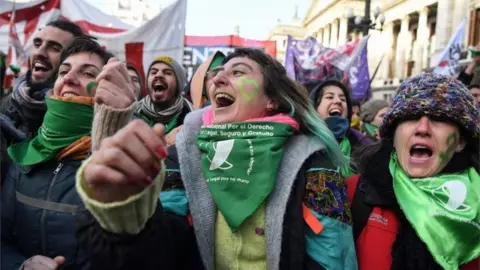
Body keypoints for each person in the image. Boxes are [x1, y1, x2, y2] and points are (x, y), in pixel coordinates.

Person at [75, 48, 357, 270]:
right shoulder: (181, 155)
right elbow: (155, 255)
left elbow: (333, 257)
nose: (218, 79)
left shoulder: (314, 163)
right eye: (218, 74)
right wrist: (126, 214)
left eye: (239, 72)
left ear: (272, 99)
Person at [1, 37, 117, 270]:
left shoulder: (121, 162)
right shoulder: (27, 155)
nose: (69, 78)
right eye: (64, 70)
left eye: (88, 74)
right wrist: (21, 266)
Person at [347, 73, 480, 270]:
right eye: (411, 117)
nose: (423, 128)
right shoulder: (352, 194)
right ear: (394, 134)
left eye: (439, 118)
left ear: (460, 141)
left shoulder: (475, 201)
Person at [310, 80, 371, 176]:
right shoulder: (302, 144)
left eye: (343, 99)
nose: (338, 101)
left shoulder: (363, 143)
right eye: (329, 97)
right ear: (315, 107)